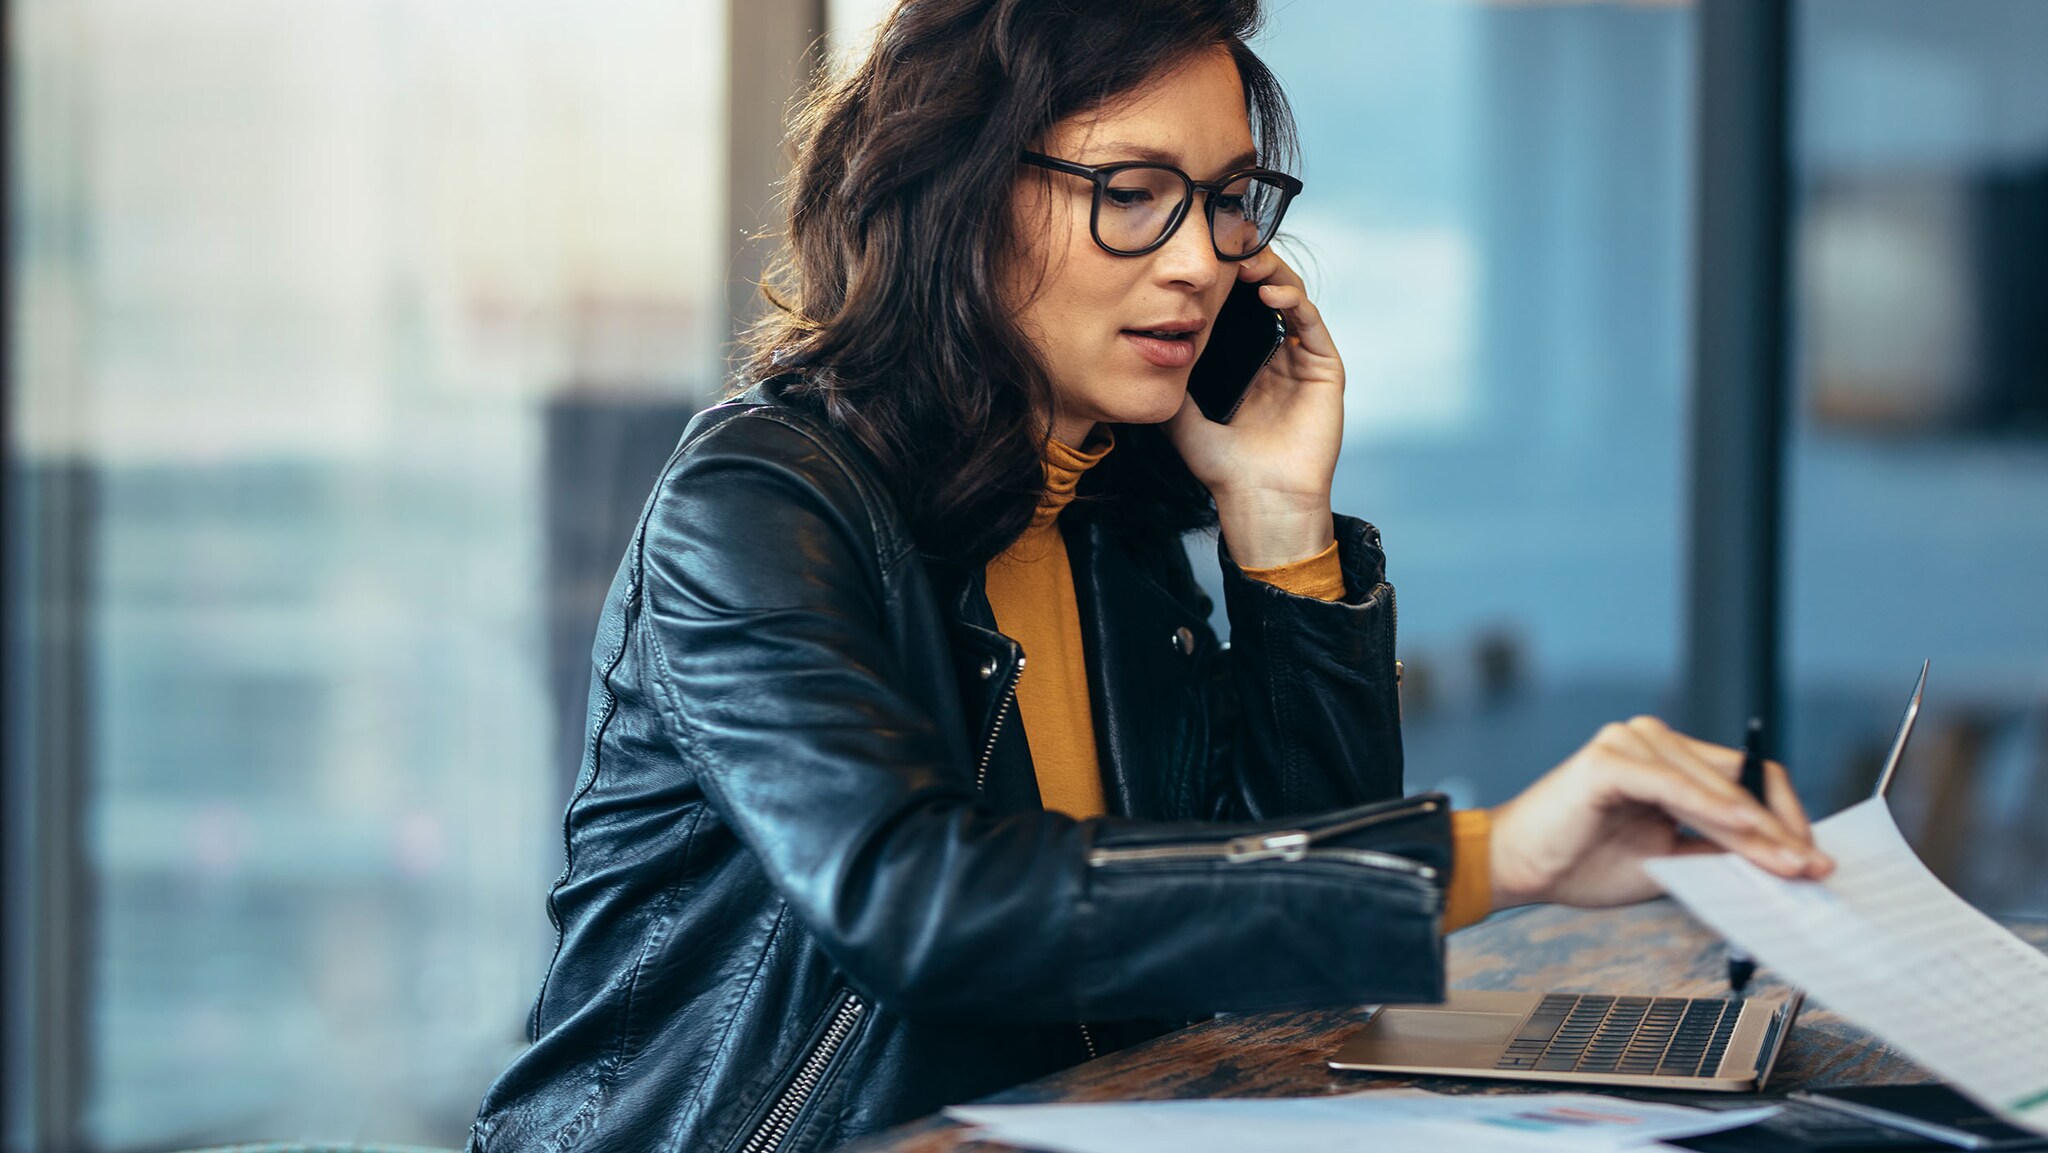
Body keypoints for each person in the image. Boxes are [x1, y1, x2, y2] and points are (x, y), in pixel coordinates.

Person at [468, 1, 1832, 1149]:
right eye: (1131, 195)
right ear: (957, 189)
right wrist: (1490, 854)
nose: (1200, 261)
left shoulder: (1111, 524)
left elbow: (1297, 961)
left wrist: (1281, 521)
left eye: (1231, 202)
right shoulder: (762, 499)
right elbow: (919, 898)